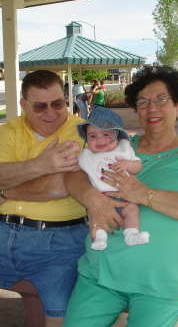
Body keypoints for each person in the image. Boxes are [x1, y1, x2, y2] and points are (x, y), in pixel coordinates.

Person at [63, 65, 178, 327]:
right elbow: (73, 173)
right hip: (101, 274)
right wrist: (91, 198)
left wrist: (143, 193)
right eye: (143, 102)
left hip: (166, 283)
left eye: (161, 99)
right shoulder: (119, 145)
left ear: (177, 106)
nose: (152, 108)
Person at [0, 70, 89, 327]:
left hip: (58, 246)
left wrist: (4, 192)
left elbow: (59, 186)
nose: (51, 112)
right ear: (24, 105)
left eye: (57, 103)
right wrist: (41, 164)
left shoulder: (81, 131)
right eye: (40, 106)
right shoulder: (9, 130)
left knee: (61, 318)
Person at [76, 107, 149, 250]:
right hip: (100, 197)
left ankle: (131, 234)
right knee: (96, 217)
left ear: (118, 137)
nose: (99, 139)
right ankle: (99, 239)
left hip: (125, 198)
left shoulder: (123, 150)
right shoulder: (87, 155)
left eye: (106, 134)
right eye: (92, 136)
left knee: (133, 209)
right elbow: (75, 172)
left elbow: (138, 166)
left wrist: (128, 164)